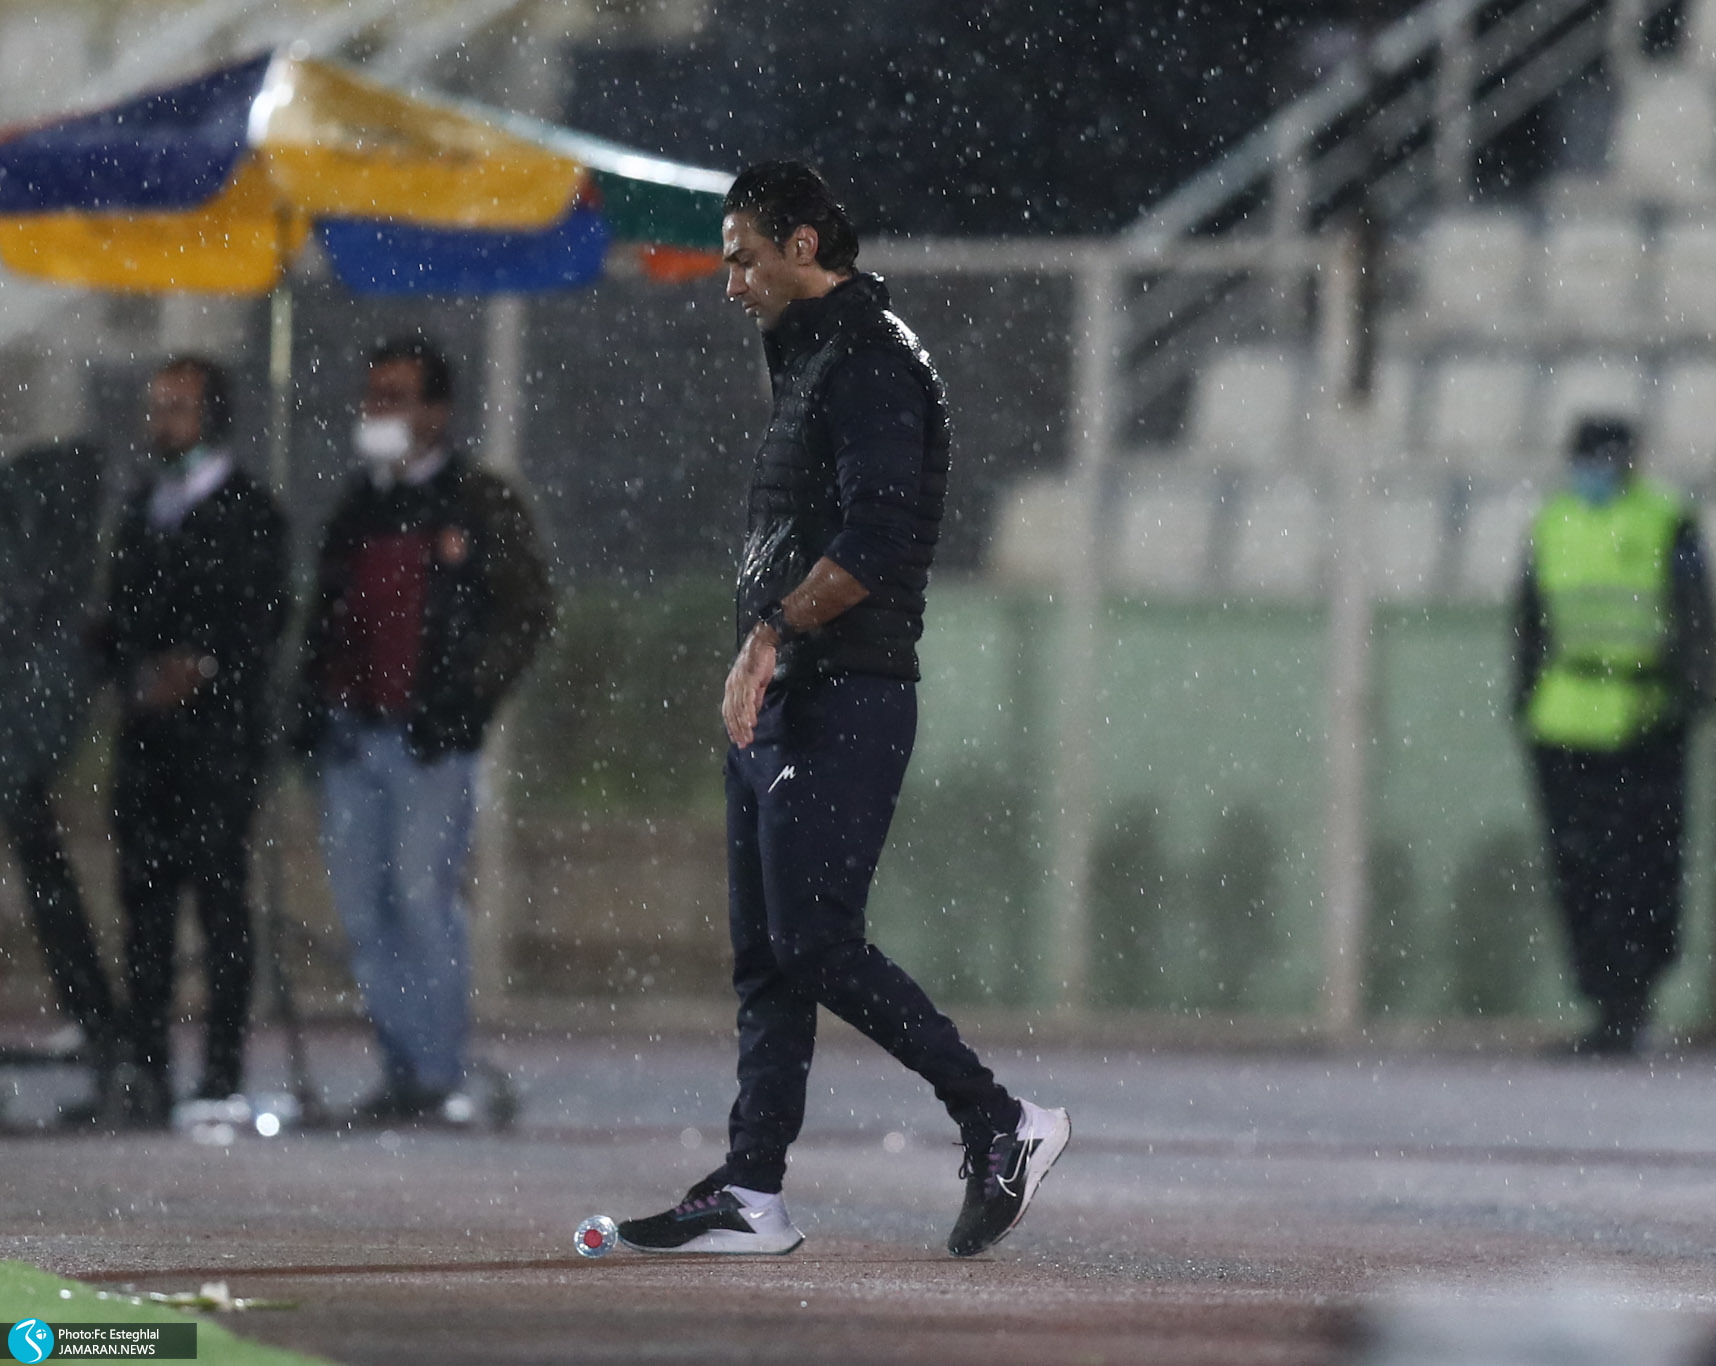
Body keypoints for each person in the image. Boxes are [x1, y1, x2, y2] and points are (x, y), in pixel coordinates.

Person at [614, 162, 1068, 1259]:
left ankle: (1000, 1118)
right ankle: (751, 1191)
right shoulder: (815, 351)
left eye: (743, 258)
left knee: (815, 941)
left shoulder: (871, 361)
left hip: (842, 692)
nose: (729, 282)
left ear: (803, 246)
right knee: (769, 956)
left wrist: (769, 634)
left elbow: (876, 540)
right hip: (787, 693)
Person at [291, 335, 553, 1122]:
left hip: (428, 741)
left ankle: (437, 1072)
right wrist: (308, 700)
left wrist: (465, 700)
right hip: (352, 736)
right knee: (364, 909)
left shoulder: (478, 502)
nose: (378, 411)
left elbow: (525, 610)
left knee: (420, 896)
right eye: (373, 395)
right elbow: (326, 612)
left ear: (437, 411)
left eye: (396, 397)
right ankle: (403, 1067)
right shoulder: (358, 504)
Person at [104, 357, 288, 1125]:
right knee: (144, 911)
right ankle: (147, 1069)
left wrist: (203, 666)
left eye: (178, 407)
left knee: (220, 909)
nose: (163, 422)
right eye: (157, 406)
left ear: (214, 414)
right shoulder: (144, 506)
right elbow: (117, 612)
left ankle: (220, 1074)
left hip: (218, 744)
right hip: (148, 743)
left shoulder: (251, 511)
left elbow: (263, 616)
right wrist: (135, 672)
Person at [1512, 416, 1716, 1058]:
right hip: (1566, 720)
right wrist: (1524, 702)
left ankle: (1632, 1000)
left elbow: (1693, 614)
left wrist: (1691, 699)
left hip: (1644, 718)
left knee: (1643, 869)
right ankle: (1608, 1002)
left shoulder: (1665, 520)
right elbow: (1530, 621)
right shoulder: (1552, 524)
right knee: (1582, 871)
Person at [0, 440, 118, 1084]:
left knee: (47, 874)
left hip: (20, 729)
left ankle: (99, 1028)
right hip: (23, 728)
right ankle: (98, 1027)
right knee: (47, 873)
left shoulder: (37, 509)